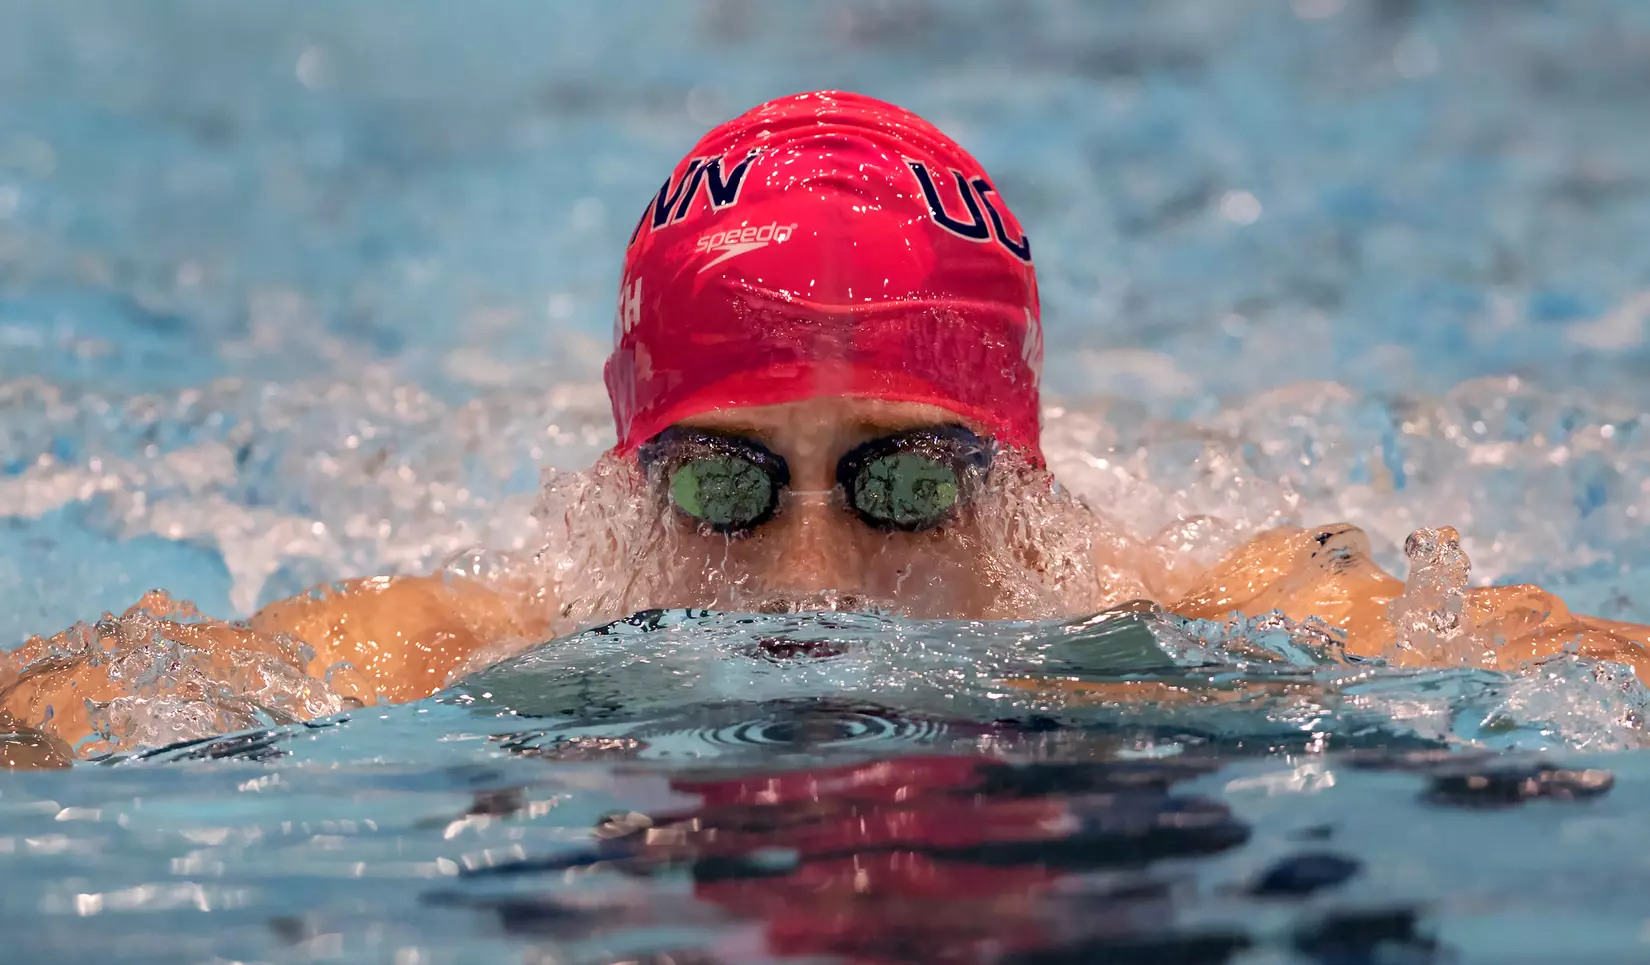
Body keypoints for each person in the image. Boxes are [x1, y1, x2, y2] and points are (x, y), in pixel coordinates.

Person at [3, 90, 1648, 757]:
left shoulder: (1198, 605)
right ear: (622, 477)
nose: (808, 576)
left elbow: (1560, 657)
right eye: (720, 482)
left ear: (1021, 485)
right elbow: (95, 700)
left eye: (909, 477)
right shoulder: (482, 628)